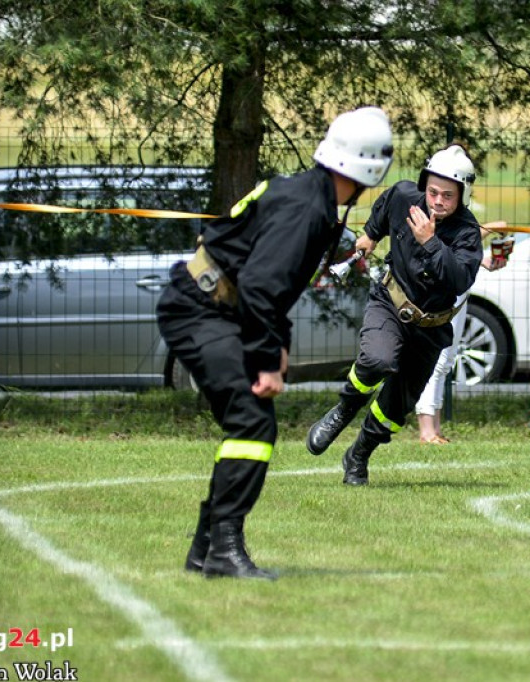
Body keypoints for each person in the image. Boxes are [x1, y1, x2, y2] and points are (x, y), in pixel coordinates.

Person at [156, 107, 393, 579]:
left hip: (215, 306)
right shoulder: (310, 208)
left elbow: (267, 283)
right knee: (252, 422)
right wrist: (267, 360)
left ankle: (208, 549)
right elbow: (263, 286)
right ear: (372, 168)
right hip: (201, 308)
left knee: (250, 424)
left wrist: (275, 343)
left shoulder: (309, 195)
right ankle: (221, 549)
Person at [306, 144, 484, 484]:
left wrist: (431, 242)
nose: (438, 201)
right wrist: (371, 234)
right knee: (376, 360)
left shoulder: (467, 233)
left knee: (396, 406)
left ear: (463, 195)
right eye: (432, 192)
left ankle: (358, 455)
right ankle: (343, 410)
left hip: (433, 326)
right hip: (390, 302)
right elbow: (386, 204)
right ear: (423, 186)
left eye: (448, 195)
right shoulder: (405, 195)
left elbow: (460, 279)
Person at [415, 225, 509, 445]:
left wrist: (482, 261)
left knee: (446, 361)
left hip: (459, 289)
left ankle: (434, 429)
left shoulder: (459, 210)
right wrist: (492, 227)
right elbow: (452, 240)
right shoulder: (445, 206)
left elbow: (461, 249)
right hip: (442, 290)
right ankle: (426, 430)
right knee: (437, 360)